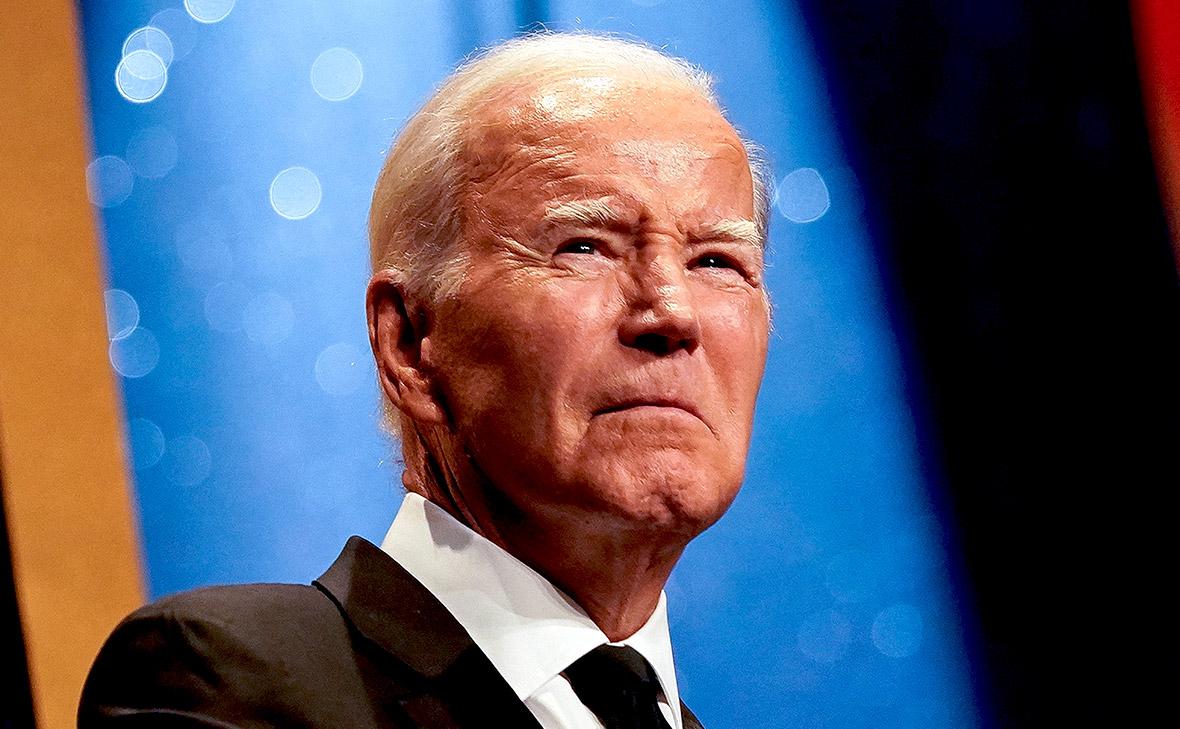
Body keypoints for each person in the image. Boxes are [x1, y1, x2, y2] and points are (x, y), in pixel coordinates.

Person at [79, 32, 771, 729]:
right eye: (584, 247)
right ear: (410, 342)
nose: (673, 313)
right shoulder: (229, 677)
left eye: (716, 261)